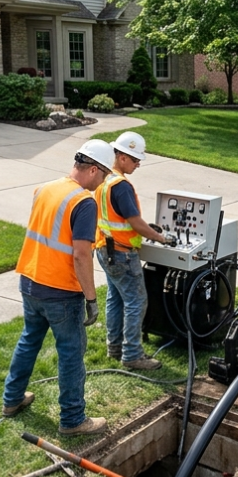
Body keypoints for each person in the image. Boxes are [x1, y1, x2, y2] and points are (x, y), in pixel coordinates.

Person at [2, 139, 115, 436]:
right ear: (93, 170)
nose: (103, 182)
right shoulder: (84, 203)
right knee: (71, 352)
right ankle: (73, 419)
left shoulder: (46, 188)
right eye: (103, 175)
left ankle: (11, 400)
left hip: (29, 280)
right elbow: (81, 255)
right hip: (60, 292)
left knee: (29, 340)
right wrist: (91, 299)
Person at [96, 131, 173, 370]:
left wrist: (143, 228)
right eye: (135, 159)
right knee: (136, 301)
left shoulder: (104, 181)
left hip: (104, 249)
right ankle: (132, 355)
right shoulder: (121, 186)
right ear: (121, 157)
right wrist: (160, 237)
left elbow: (120, 219)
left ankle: (115, 347)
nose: (138, 163)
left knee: (116, 298)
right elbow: (134, 221)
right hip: (121, 253)